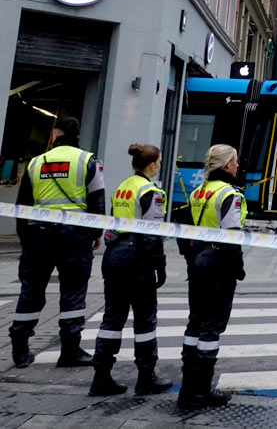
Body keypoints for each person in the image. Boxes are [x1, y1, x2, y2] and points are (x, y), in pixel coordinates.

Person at [9, 116, 105, 368]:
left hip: (38, 236)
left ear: (55, 135)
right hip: (73, 237)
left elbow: (22, 207)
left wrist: (25, 241)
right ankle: (70, 350)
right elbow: (97, 202)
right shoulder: (88, 161)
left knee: (31, 290)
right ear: (77, 136)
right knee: (73, 291)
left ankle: (20, 348)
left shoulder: (35, 163)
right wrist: (95, 234)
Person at [89, 144, 173, 396]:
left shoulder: (123, 186)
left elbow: (114, 222)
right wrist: (160, 265)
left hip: (115, 254)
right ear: (152, 165)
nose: (160, 164)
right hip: (138, 256)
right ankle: (146, 377)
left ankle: (101, 376)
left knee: (112, 318)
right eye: (159, 161)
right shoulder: (152, 191)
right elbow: (153, 233)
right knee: (145, 318)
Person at [178, 144, 246, 409]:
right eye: (236, 161)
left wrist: (191, 258)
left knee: (195, 322)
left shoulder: (198, 191)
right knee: (212, 326)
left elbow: (184, 229)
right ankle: (202, 390)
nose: (238, 166)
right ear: (227, 164)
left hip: (197, 262)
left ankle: (187, 387)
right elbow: (231, 238)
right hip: (219, 265)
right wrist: (238, 267)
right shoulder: (230, 195)